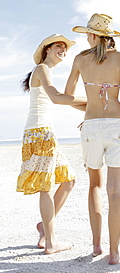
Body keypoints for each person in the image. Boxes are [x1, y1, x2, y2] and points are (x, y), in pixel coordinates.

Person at [65, 14, 120, 264]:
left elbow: (68, 96)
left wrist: (90, 112)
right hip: (117, 124)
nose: (86, 38)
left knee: (95, 185)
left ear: (94, 35)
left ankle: (97, 245)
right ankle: (115, 252)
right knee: (115, 190)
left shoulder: (79, 60)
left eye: (88, 33)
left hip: (91, 126)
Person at [17, 33, 86, 254]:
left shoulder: (45, 72)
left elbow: (61, 99)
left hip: (44, 133)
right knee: (46, 186)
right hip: (40, 134)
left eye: (65, 48)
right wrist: (92, 102)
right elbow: (57, 98)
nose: (63, 50)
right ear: (47, 49)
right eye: (58, 46)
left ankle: (44, 226)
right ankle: (50, 242)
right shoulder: (42, 69)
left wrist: (92, 107)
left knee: (68, 180)